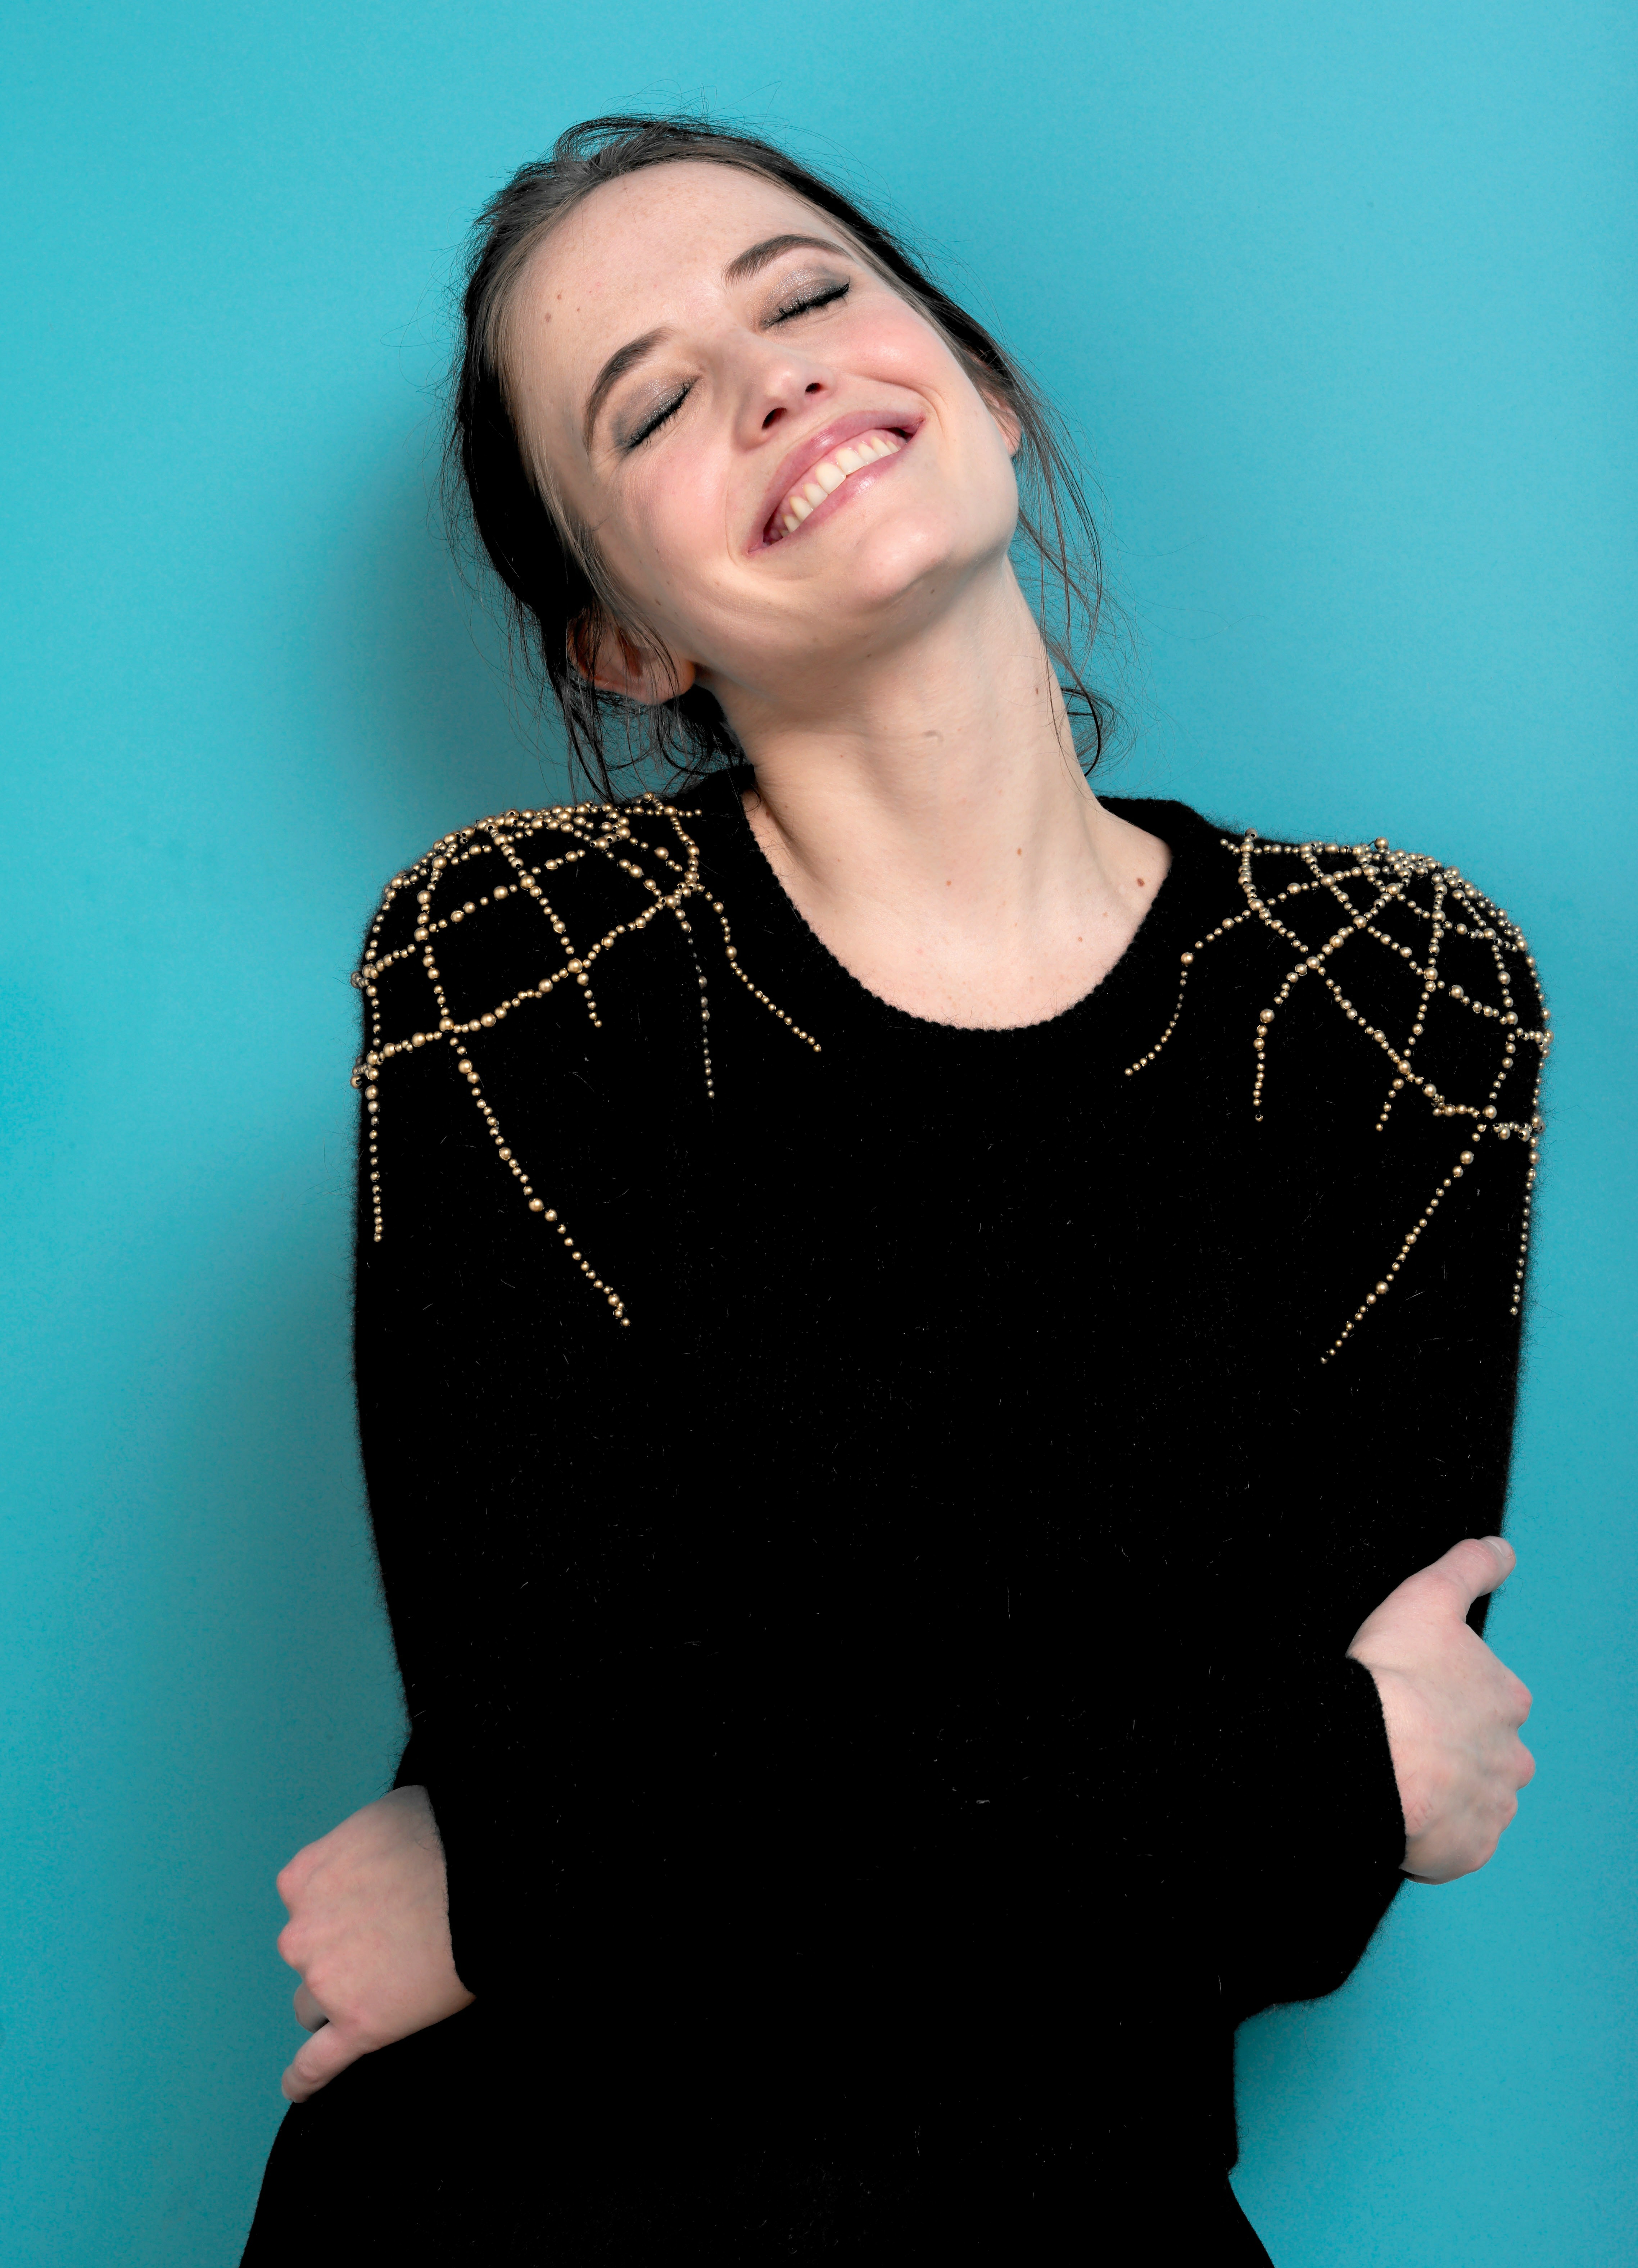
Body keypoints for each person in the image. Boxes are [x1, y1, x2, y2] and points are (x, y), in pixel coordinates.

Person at [240, 115, 1544, 2264]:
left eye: (808, 294)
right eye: (649, 406)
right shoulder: (522, 962)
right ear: (620, 640)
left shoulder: (1391, 994)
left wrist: (522, 1887)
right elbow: (1337, 1795)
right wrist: (1295, 1783)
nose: (772, 379)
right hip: (538, 2206)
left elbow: (1320, 1899)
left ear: (984, 383)